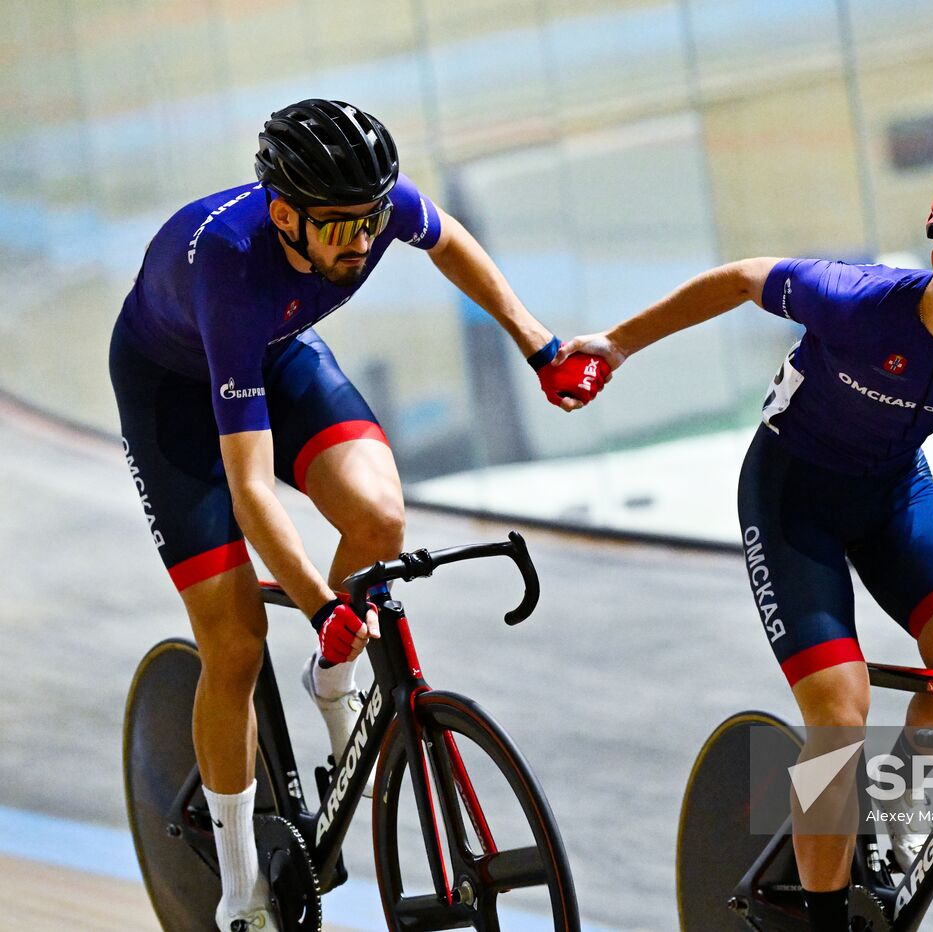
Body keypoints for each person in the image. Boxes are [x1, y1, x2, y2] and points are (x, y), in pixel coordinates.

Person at [557, 160, 933, 930]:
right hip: (794, 499)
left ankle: (888, 809)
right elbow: (736, 281)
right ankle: (825, 917)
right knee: (839, 708)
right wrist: (617, 346)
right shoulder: (855, 301)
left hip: (897, 495)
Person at [110, 99, 602, 931]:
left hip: (278, 350)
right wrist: (320, 603)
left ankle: (330, 678)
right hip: (179, 396)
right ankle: (238, 891)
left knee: (378, 518)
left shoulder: (373, 207)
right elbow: (252, 491)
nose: (361, 241)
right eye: (338, 227)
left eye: (372, 219)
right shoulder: (230, 268)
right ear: (282, 213)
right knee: (232, 644)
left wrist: (540, 346)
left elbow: (450, 242)